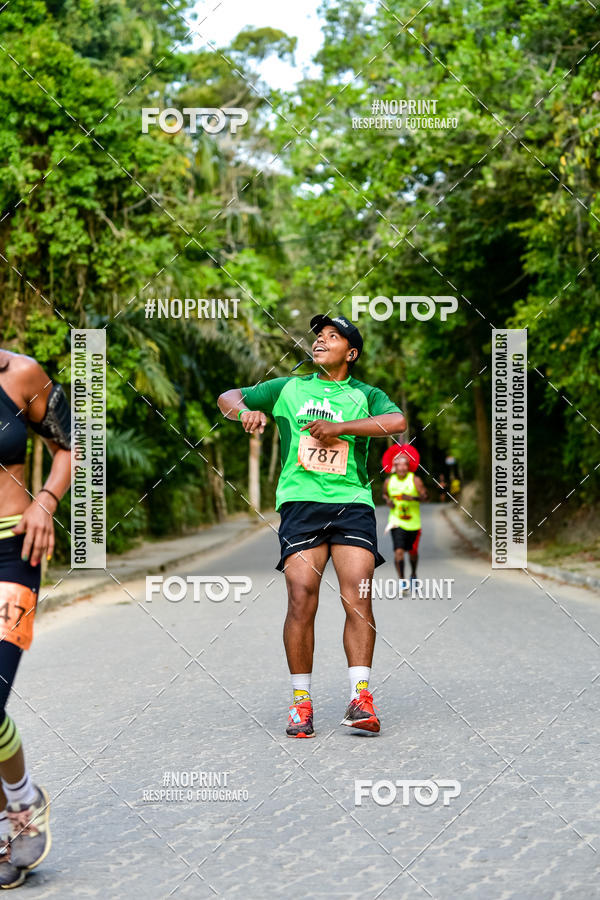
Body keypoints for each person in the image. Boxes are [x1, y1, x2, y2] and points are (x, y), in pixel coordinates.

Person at [218, 314, 406, 737]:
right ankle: (301, 703)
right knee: (301, 597)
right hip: (300, 505)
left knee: (358, 594)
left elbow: (396, 423)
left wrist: (340, 427)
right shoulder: (289, 387)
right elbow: (228, 396)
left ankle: (361, 698)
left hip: (351, 502)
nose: (320, 342)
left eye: (332, 337)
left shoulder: (365, 393)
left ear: (351, 353)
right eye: (318, 336)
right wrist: (246, 412)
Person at [0, 349, 71, 887]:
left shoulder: (20, 375)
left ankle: (22, 804)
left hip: (11, 552)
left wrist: (45, 500)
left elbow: (70, 445)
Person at [383, 452, 428, 584]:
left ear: (408, 467)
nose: (402, 468)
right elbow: (385, 495)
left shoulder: (415, 480)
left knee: (413, 552)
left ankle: (413, 574)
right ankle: (402, 580)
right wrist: (388, 501)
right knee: (399, 552)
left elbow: (426, 498)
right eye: (399, 465)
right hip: (396, 522)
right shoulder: (388, 481)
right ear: (394, 467)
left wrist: (412, 498)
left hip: (413, 523)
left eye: (405, 465)